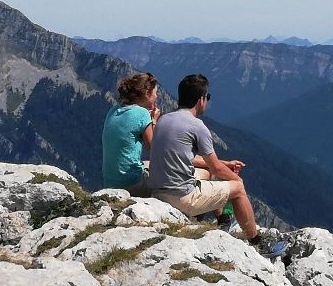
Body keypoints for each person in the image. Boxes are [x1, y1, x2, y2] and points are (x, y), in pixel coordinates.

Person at [145, 74, 285, 256]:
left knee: (207, 174)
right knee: (238, 189)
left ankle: (223, 219)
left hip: (157, 192)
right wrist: (237, 179)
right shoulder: (197, 126)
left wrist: (224, 164)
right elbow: (217, 168)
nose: (207, 101)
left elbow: (187, 159)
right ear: (200, 100)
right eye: (207, 97)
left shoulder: (163, 120)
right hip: (182, 198)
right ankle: (258, 243)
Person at [101, 72, 159, 193]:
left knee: (147, 164)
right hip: (132, 183)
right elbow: (153, 148)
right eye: (155, 92)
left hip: (110, 182)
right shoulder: (142, 113)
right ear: (147, 93)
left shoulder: (113, 110)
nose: (157, 96)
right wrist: (153, 121)